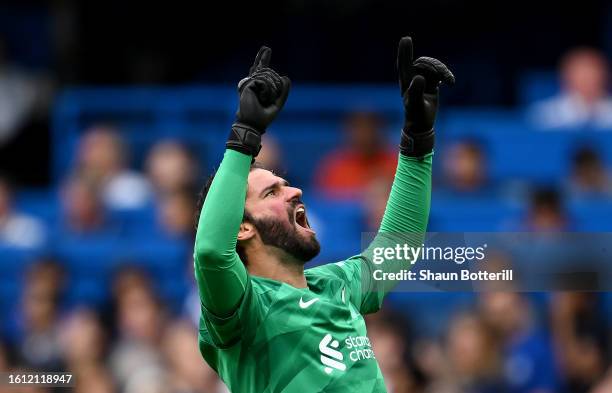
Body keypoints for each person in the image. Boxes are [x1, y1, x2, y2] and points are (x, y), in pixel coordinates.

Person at [193, 37, 454, 392]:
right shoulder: (244, 309)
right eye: (272, 192)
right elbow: (211, 251)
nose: (295, 191)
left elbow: (399, 246)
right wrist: (244, 136)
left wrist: (418, 140)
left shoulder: (337, 285)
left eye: (286, 183)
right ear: (240, 228)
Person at [315, 111, 397, 199]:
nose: (365, 136)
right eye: (359, 130)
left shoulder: (396, 164)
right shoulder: (334, 167)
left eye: (370, 130)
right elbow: (323, 203)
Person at [528, 47, 612, 129]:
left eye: (592, 72)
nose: (587, 79)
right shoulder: (544, 115)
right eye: (581, 73)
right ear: (565, 77)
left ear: (605, 76)